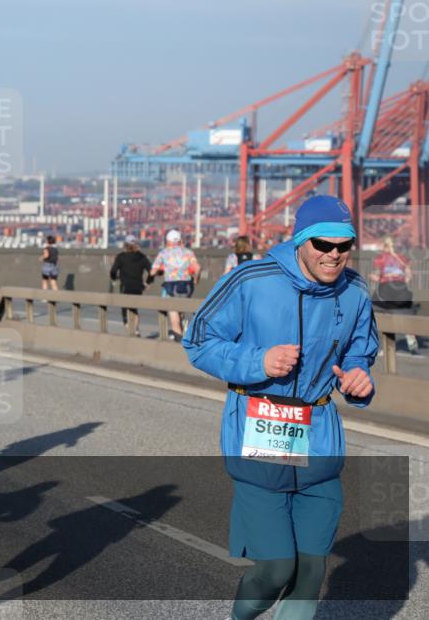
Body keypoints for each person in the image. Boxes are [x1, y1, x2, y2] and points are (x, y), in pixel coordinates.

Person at [182, 195, 378, 620]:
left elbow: (362, 353)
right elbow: (197, 342)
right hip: (260, 434)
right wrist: (259, 361)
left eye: (344, 246)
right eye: (323, 245)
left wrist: (361, 381)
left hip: (320, 437)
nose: (334, 255)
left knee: (309, 574)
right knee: (275, 570)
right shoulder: (251, 280)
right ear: (301, 240)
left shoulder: (357, 291)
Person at [369, 235, 419, 355]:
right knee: (406, 315)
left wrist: (374, 277)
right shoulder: (403, 259)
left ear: (385, 246)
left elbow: (376, 277)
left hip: (386, 294)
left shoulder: (380, 259)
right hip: (402, 294)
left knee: (380, 315)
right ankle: (411, 340)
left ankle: (387, 349)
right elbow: (409, 278)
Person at [151, 229, 201, 341]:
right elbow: (197, 268)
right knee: (181, 311)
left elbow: (152, 272)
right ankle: (186, 329)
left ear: (168, 241)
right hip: (187, 287)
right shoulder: (188, 252)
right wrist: (196, 280)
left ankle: (180, 343)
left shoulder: (164, 253)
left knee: (174, 318)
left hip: (171, 287)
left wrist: (160, 271)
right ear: (179, 240)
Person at [109, 235, 153, 336]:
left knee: (125, 310)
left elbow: (113, 271)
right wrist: (147, 282)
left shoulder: (121, 257)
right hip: (138, 287)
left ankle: (130, 329)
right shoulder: (142, 257)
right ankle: (136, 330)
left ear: (125, 244)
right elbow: (151, 271)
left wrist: (114, 277)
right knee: (134, 308)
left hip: (125, 286)